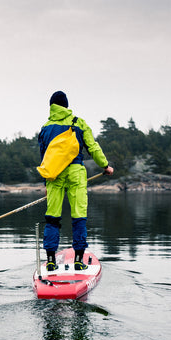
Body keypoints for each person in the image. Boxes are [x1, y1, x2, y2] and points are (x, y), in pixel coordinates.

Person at [38, 91, 113, 271]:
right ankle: (79, 260)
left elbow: (44, 158)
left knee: (52, 218)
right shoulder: (78, 123)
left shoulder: (46, 127)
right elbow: (93, 147)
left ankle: (50, 261)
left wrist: (46, 183)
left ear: (51, 107)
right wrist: (105, 166)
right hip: (76, 173)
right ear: (66, 105)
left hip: (54, 175)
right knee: (79, 216)